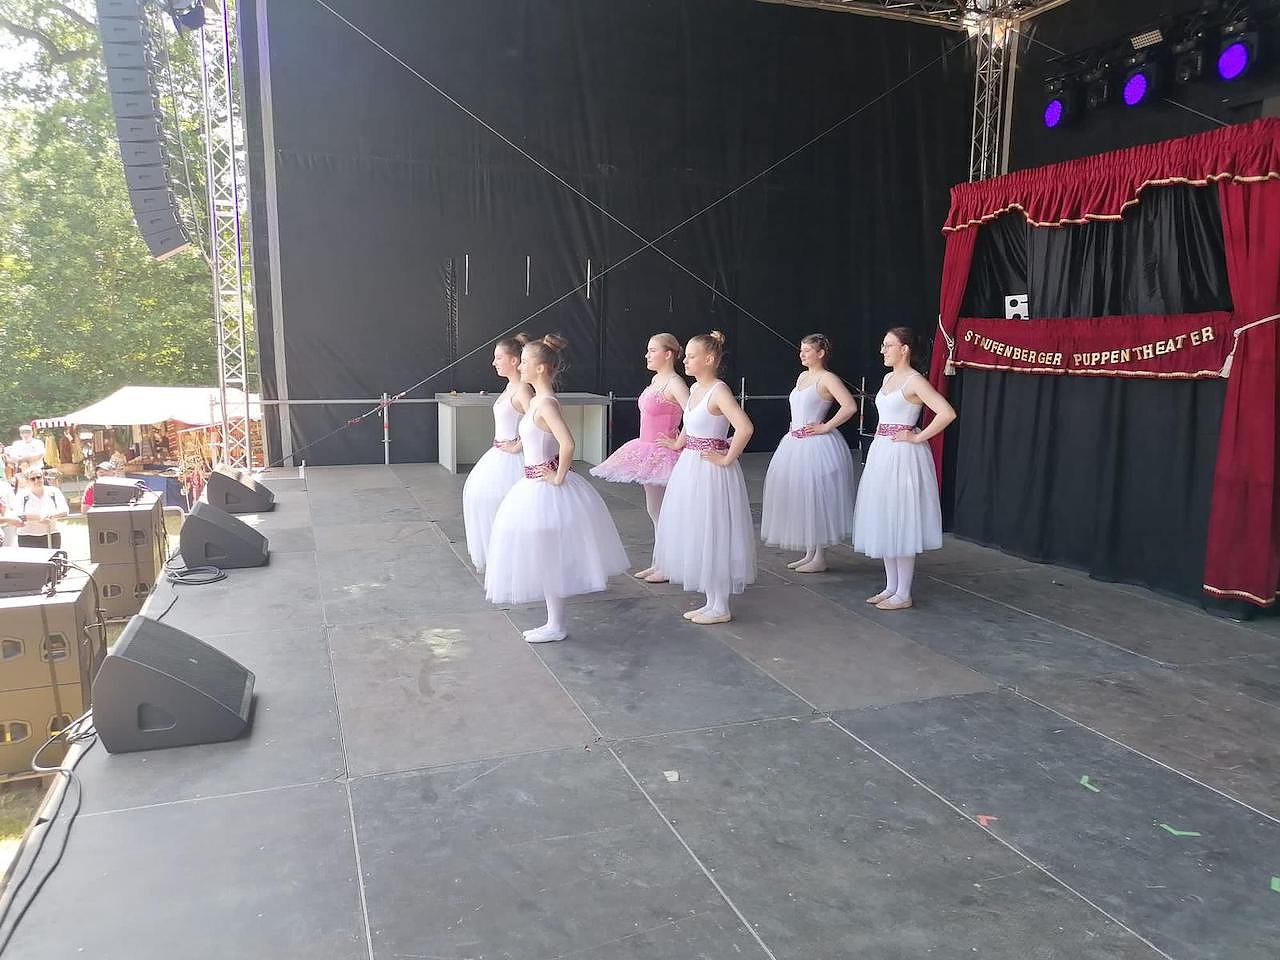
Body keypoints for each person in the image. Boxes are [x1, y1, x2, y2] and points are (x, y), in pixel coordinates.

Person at [484, 335, 629, 643]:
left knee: (550, 553)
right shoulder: (537, 401)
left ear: (540, 368)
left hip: (545, 489)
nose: (520, 367)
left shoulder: (546, 403)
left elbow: (568, 443)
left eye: (525, 362)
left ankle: (556, 624)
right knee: (544, 552)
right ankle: (553, 621)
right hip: (533, 485)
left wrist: (558, 476)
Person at [652, 330, 756, 624]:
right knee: (699, 529)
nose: (685, 360)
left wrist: (726, 457)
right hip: (692, 466)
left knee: (715, 530)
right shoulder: (696, 388)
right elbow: (691, 421)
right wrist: (678, 443)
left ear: (709, 359)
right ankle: (712, 601)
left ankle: (720, 605)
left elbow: (745, 427)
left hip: (711, 471)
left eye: (691, 356)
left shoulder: (718, 390)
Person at [853, 326, 957, 610]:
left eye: (888, 345)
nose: (882, 350)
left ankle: (903, 592)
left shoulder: (915, 381)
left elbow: (946, 413)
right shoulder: (888, 378)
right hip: (883, 452)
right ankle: (891, 586)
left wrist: (917, 437)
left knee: (902, 518)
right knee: (886, 516)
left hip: (903, 456)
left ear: (904, 349)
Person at [590, 333, 689, 582]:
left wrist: (678, 441)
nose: (647, 355)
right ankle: (660, 562)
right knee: (654, 509)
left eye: (652, 350)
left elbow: (694, 414)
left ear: (668, 354)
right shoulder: (657, 380)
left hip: (663, 452)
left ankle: (668, 564)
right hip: (646, 449)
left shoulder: (675, 383)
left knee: (664, 511)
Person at [760, 333, 859, 573]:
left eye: (807, 350)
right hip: (795, 442)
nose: (802, 354)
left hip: (816, 445)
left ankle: (820, 556)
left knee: (816, 497)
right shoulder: (803, 376)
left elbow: (849, 406)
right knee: (802, 496)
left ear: (821, 353)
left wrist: (826, 426)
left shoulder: (827, 378)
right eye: (801, 350)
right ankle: (810, 552)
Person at [462, 334, 534, 572]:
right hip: (499, 455)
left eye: (499, 357)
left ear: (514, 360)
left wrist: (518, 445)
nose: (494, 362)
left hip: (513, 459)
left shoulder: (522, 390)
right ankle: (502, 556)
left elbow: (537, 422)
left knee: (508, 506)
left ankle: (514, 559)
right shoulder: (510, 386)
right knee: (483, 500)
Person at [14, 469, 69, 549]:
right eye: (32, 479)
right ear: (27, 481)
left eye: (39, 477)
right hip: (27, 536)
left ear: (43, 478)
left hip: (51, 533)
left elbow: (65, 510)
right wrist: (40, 518)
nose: (36, 480)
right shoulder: (21, 495)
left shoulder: (54, 491)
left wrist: (50, 516)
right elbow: (18, 515)